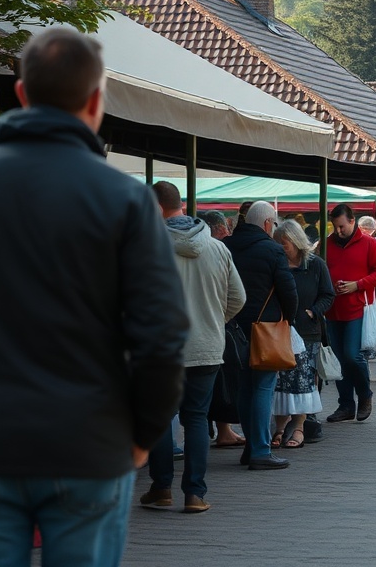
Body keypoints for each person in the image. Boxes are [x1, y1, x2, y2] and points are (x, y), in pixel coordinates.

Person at [0, 28, 188, 564]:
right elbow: (162, 332)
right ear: (97, 100)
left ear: (22, 94)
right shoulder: (124, 200)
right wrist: (145, 433)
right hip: (88, 439)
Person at [142, 182, 246, 514]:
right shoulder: (217, 248)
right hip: (206, 348)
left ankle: (161, 489)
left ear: (157, 210)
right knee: (197, 418)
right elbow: (238, 299)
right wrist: (213, 320)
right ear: (181, 206)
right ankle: (195, 493)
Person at [224, 201, 298, 470]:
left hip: (233, 328)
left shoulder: (226, 246)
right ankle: (260, 450)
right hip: (265, 328)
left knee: (244, 388)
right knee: (264, 388)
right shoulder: (272, 251)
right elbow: (289, 292)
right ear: (268, 224)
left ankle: (250, 446)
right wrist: (288, 319)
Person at [271, 220, 335, 449]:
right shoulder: (276, 263)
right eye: (277, 242)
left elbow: (328, 294)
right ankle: (279, 428)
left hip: (308, 332)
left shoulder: (315, 265)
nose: (280, 247)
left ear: (296, 241)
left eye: (284, 243)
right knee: (280, 381)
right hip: (280, 331)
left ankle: (298, 428)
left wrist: (313, 312)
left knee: (304, 381)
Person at [323, 203, 376, 423]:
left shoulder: (369, 243)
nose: (338, 231)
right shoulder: (327, 244)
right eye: (335, 227)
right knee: (339, 360)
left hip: (357, 309)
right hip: (332, 310)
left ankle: (365, 394)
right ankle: (345, 405)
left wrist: (357, 285)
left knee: (352, 355)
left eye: (342, 227)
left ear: (352, 221)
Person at [200, 209, 247, 448]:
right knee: (213, 390)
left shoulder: (164, 247)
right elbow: (238, 297)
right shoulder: (219, 251)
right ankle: (195, 483)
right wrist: (221, 319)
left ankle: (164, 474)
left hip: (176, 338)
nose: (228, 233)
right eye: (225, 229)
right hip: (212, 336)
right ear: (218, 230)